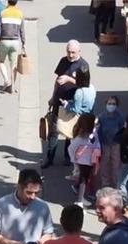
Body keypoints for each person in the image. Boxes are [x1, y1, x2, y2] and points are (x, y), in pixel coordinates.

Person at [43, 40, 89, 168]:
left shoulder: (83, 65)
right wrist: (53, 97)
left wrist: (69, 79)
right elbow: (57, 81)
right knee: (54, 130)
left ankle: (67, 157)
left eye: (73, 52)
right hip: (59, 101)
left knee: (69, 131)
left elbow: (85, 85)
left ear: (79, 51)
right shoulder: (63, 61)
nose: (70, 55)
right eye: (68, 52)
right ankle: (49, 158)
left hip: (72, 104)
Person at [66, 113, 101, 205]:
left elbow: (96, 142)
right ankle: (79, 202)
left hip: (91, 160)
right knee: (84, 180)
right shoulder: (80, 138)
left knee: (86, 177)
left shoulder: (93, 132)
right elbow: (70, 149)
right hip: (82, 161)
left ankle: (77, 189)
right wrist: (74, 161)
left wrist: (97, 149)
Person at [0, 0, 25, 93]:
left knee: (1, 61)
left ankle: (6, 81)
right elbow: (22, 30)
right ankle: (12, 86)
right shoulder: (20, 14)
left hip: (4, 40)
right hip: (15, 42)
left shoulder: (3, 13)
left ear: (8, 2)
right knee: (14, 65)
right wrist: (23, 43)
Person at [97, 95, 125, 187]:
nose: (111, 105)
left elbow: (123, 130)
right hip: (104, 144)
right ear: (106, 104)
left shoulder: (120, 117)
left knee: (116, 165)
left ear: (117, 105)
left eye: (113, 104)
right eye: (109, 103)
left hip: (116, 145)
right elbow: (99, 131)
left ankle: (116, 184)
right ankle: (105, 184)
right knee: (104, 165)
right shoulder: (102, 117)